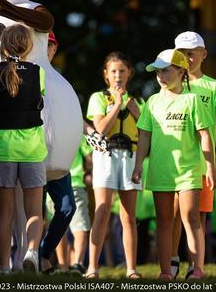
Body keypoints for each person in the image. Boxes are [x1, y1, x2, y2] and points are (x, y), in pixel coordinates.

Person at [132, 49, 216, 280]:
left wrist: (210, 167)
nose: (161, 75)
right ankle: (165, 272)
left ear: (181, 71)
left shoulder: (193, 100)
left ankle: (197, 269)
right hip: (160, 171)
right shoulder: (151, 102)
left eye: (166, 70)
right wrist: (138, 164)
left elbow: (205, 136)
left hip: (189, 170)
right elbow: (144, 136)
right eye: (158, 71)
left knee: (191, 217)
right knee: (164, 221)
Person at [0, 24, 47, 274]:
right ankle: (31, 253)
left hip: (2, 149)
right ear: (28, 47)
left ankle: (3, 267)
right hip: (32, 149)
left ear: (2, 46)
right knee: (34, 211)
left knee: (5, 212)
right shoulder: (38, 73)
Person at [169, 31, 216, 278]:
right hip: (173, 160)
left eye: (192, 53)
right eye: (182, 53)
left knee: (198, 216)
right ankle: (172, 260)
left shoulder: (213, 86)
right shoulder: (170, 82)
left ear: (203, 54)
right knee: (173, 213)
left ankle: (196, 265)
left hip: (203, 162)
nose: (187, 58)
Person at [85, 51, 144, 279]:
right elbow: (100, 129)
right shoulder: (98, 98)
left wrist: (133, 108)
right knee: (102, 212)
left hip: (130, 156)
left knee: (129, 216)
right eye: (113, 71)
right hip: (106, 155)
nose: (118, 76)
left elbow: (147, 131)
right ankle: (92, 267)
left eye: (122, 71)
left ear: (129, 73)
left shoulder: (139, 101)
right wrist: (117, 104)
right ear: (106, 75)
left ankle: (131, 268)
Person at [38, 30, 78, 274]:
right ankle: (33, 258)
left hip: (59, 161)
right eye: (44, 44)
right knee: (35, 210)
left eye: (51, 45)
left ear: (55, 48)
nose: (47, 49)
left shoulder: (60, 81)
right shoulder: (28, 74)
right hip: (33, 154)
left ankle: (42, 253)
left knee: (67, 207)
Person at [54, 137, 93, 274]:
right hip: (75, 182)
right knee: (80, 225)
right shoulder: (77, 133)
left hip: (53, 182)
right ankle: (78, 264)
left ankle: (63, 267)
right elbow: (89, 158)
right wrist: (87, 169)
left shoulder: (47, 130)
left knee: (57, 227)